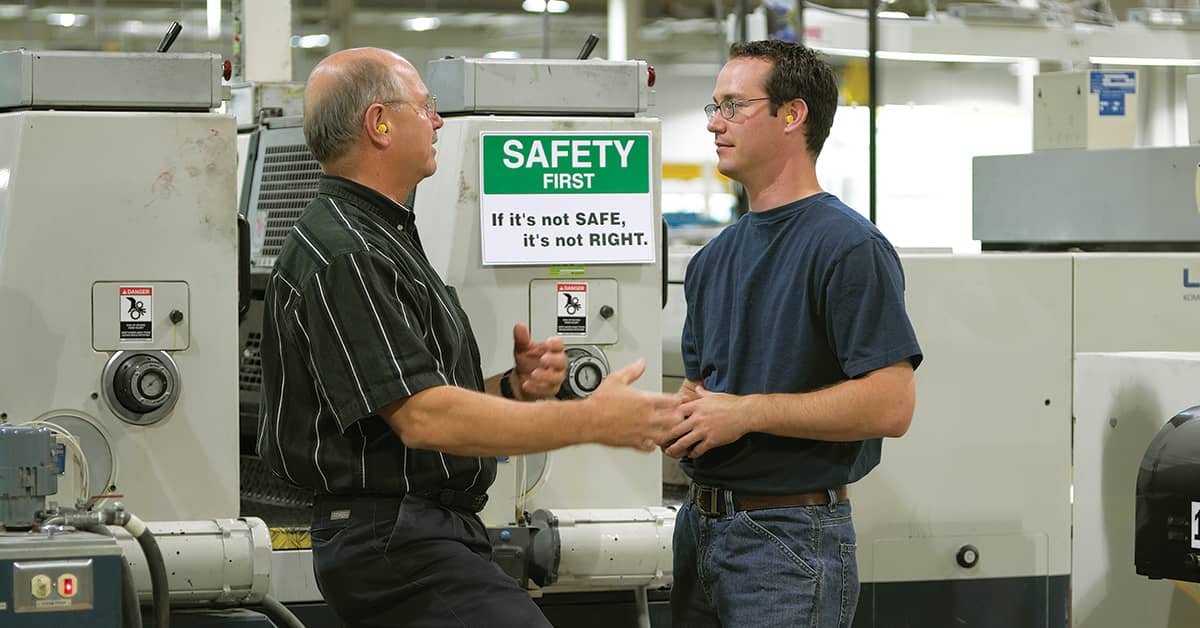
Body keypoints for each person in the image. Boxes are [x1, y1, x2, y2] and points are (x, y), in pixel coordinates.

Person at [256, 47, 682, 628]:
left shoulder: (380, 238)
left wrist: (510, 388)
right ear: (380, 124)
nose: (436, 121)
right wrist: (597, 422)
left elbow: (411, 393)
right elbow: (423, 417)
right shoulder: (348, 253)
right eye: (426, 108)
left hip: (416, 531)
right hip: (396, 540)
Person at [662, 40, 924, 627]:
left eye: (733, 106)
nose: (713, 123)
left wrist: (745, 412)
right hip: (699, 530)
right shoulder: (712, 260)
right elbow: (703, 393)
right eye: (713, 106)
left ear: (792, 115)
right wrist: (675, 420)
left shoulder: (849, 247)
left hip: (787, 543)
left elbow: (891, 403)